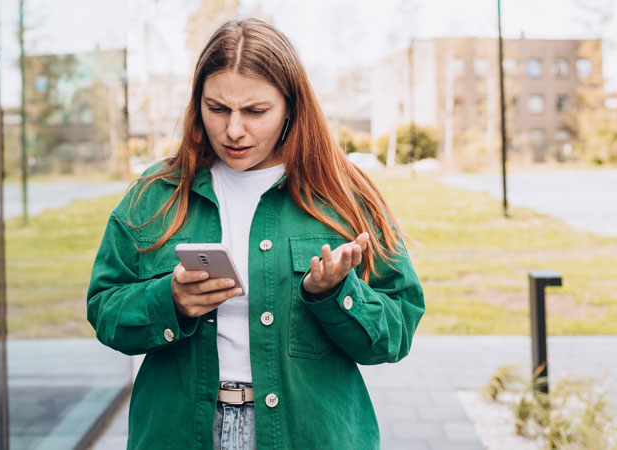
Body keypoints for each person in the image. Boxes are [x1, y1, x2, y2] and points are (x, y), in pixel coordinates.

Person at [87, 18, 425, 450]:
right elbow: (104, 309)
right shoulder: (155, 194)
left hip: (310, 435)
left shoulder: (344, 195)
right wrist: (168, 301)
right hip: (178, 432)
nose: (233, 130)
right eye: (217, 108)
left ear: (291, 107)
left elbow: (396, 333)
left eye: (255, 112)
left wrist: (335, 295)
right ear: (197, 103)